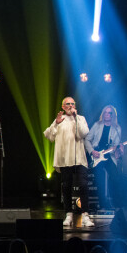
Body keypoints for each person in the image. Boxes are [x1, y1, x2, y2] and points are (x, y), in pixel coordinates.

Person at [44, 97, 93, 228]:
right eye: (67, 104)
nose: (70, 106)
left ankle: (85, 215)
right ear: (63, 106)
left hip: (79, 158)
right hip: (65, 159)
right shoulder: (59, 119)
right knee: (66, 187)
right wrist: (56, 123)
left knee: (83, 185)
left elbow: (83, 133)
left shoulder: (81, 118)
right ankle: (68, 214)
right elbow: (49, 136)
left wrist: (76, 118)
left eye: (72, 104)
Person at [84, 105, 125, 209]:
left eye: (110, 113)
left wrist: (119, 149)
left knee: (115, 177)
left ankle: (116, 204)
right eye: (106, 112)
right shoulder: (97, 125)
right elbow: (87, 140)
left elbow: (116, 144)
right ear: (103, 114)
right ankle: (102, 204)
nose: (107, 114)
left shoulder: (117, 128)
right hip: (97, 155)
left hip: (109, 156)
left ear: (113, 115)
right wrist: (92, 151)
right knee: (100, 178)